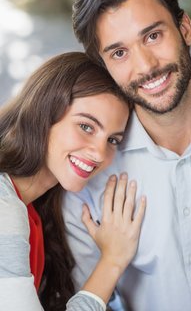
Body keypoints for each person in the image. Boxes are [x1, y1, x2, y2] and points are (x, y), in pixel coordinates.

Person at [63, 0, 191, 311]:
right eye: (119, 53)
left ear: (184, 28)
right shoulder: (87, 176)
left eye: (153, 36)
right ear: (104, 65)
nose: (145, 66)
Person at [0, 51, 146, 311]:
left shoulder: (34, 208)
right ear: (44, 111)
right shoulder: (5, 208)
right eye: (86, 127)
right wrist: (112, 260)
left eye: (113, 140)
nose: (100, 153)